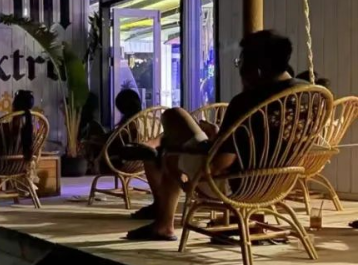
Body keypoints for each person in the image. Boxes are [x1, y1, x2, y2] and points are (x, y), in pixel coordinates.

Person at [126, 30, 307, 242]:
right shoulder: (310, 95)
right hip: (282, 180)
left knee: (171, 147)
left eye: (240, 63)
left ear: (257, 70)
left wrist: (205, 147)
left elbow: (219, 164)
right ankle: (162, 146)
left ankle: (163, 225)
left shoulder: (247, 102)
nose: (240, 70)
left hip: (236, 183)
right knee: (177, 125)